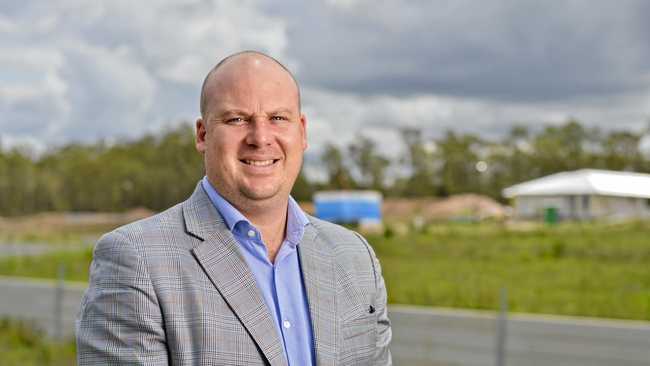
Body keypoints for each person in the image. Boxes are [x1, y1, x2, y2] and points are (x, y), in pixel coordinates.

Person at [76, 50, 392, 366]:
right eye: (237, 119)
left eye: (278, 118)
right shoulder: (135, 260)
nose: (260, 137)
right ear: (202, 134)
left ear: (302, 131)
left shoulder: (354, 257)